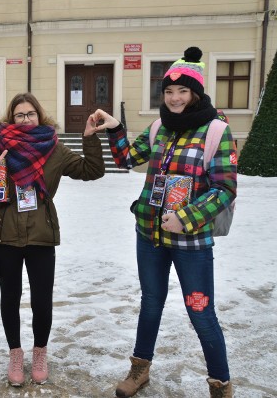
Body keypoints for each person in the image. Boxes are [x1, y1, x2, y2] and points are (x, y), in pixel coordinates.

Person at [89, 47, 236, 398]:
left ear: (195, 93)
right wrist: (115, 128)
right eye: (169, 92)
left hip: (192, 242)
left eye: (182, 91)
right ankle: (139, 370)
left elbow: (225, 189)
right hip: (149, 236)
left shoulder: (216, 130)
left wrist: (186, 217)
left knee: (201, 311)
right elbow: (127, 158)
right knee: (151, 302)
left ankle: (221, 383)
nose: (174, 98)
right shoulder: (160, 127)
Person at [0, 92, 105, 386]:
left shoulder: (55, 150)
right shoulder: (0, 146)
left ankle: (40, 351)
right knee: (10, 298)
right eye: (19, 115)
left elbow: (92, 170)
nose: (25, 120)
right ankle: (15, 354)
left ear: (39, 116)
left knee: (41, 299)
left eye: (30, 114)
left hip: (42, 235)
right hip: (6, 234)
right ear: (11, 119)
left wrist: (89, 137)